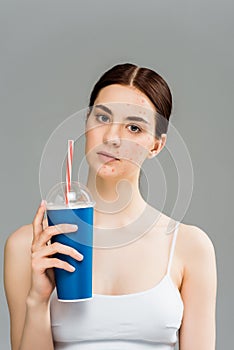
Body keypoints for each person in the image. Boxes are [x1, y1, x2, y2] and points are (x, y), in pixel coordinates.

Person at [4, 63, 217, 350]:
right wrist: (38, 299)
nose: (112, 137)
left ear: (156, 145)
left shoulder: (190, 246)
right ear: (86, 124)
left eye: (133, 127)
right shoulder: (27, 247)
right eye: (102, 118)